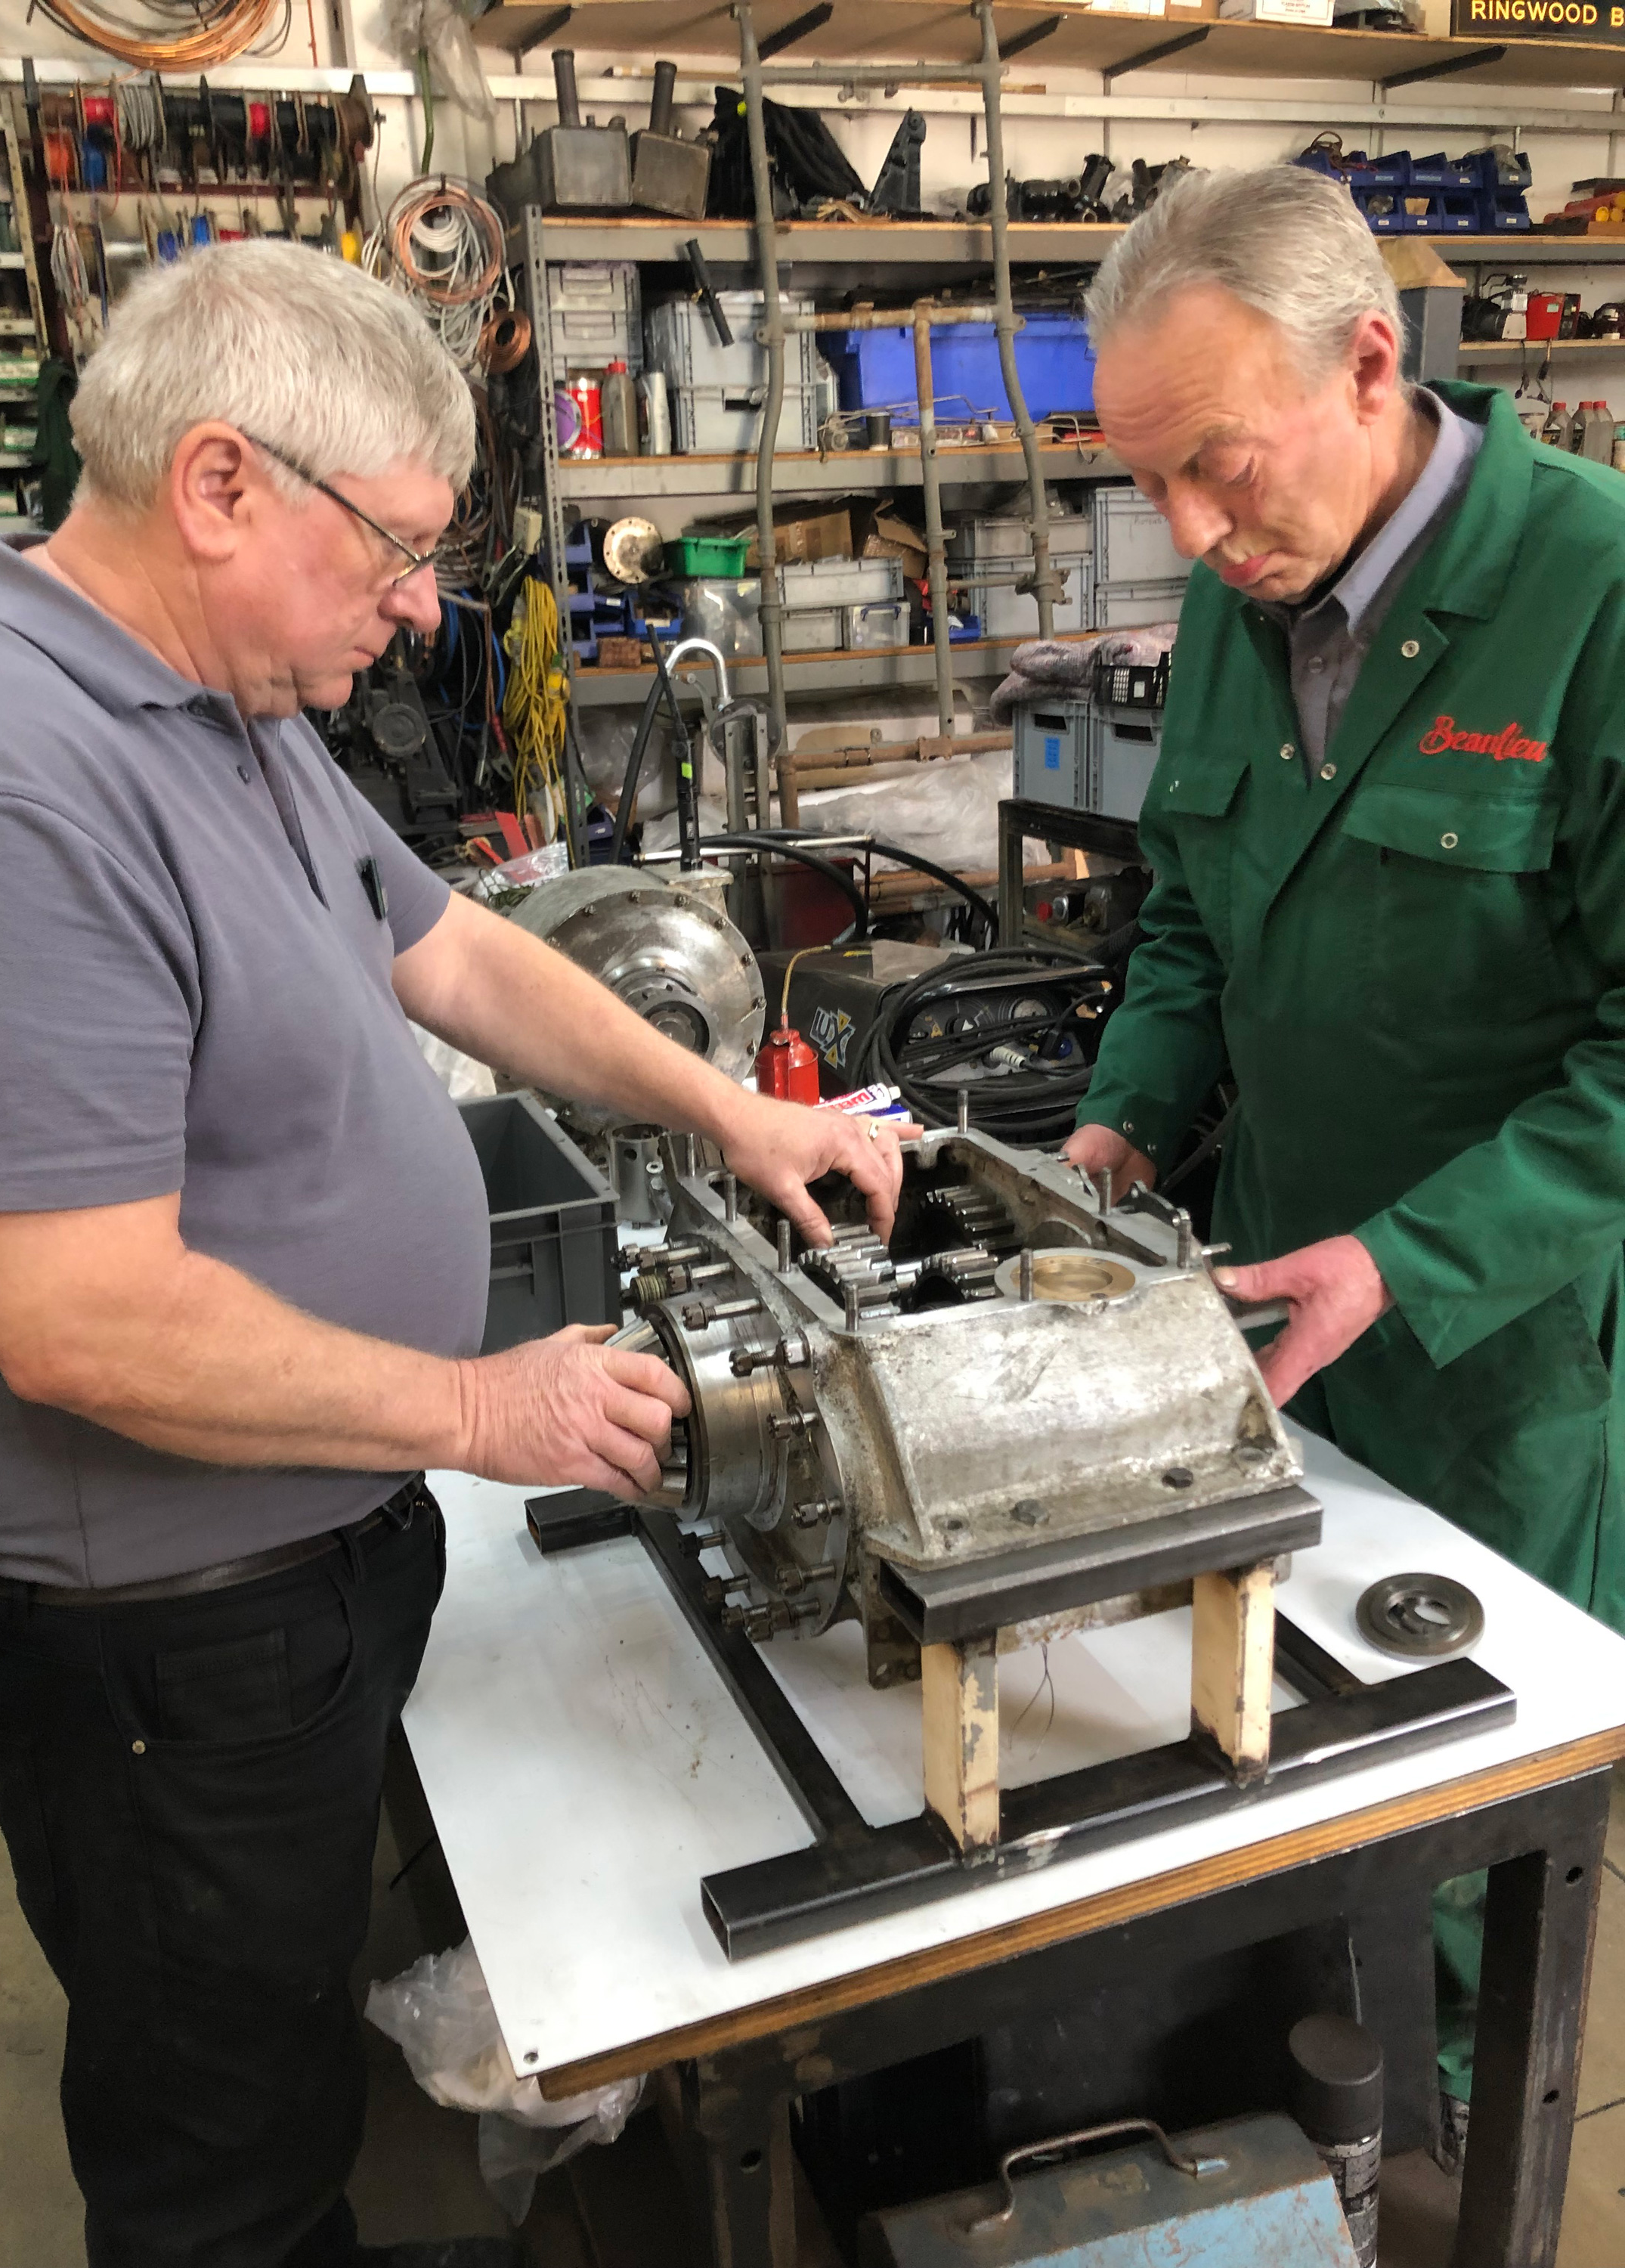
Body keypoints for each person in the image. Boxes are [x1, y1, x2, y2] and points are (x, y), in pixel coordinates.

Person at [0, 242, 901, 2268]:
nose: (423, 606)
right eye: (388, 547)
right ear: (218, 485)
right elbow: (78, 1320)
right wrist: (481, 1402)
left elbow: (449, 950)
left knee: (271, 2029)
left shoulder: (219, 692)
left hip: (296, 1561)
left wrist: (732, 1110)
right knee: (220, 2138)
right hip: (163, 1636)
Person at [1063, 163, 1625, 2142]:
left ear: (1370, 362)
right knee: (1270, 1722)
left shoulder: (1599, 599)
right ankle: (1285, 2044)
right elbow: (1197, 916)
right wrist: (1122, 1120)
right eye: (1147, 485)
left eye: (1216, 466)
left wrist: (1406, 1261)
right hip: (1263, 1295)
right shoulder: (1248, 594)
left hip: (1502, 1346)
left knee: (1467, 1782)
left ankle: (1447, 2125)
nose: (1188, 534)